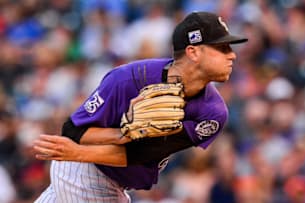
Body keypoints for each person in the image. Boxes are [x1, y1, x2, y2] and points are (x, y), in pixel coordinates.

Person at [33, 11, 248, 203]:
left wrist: (125, 137)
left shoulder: (212, 113)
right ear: (193, 52)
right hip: (85, 170)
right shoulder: (128, 79)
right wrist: (114, 137)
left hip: (108, 176)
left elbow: (143, 153)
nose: (232, 54)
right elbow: (73, 130)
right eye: (222, 47)